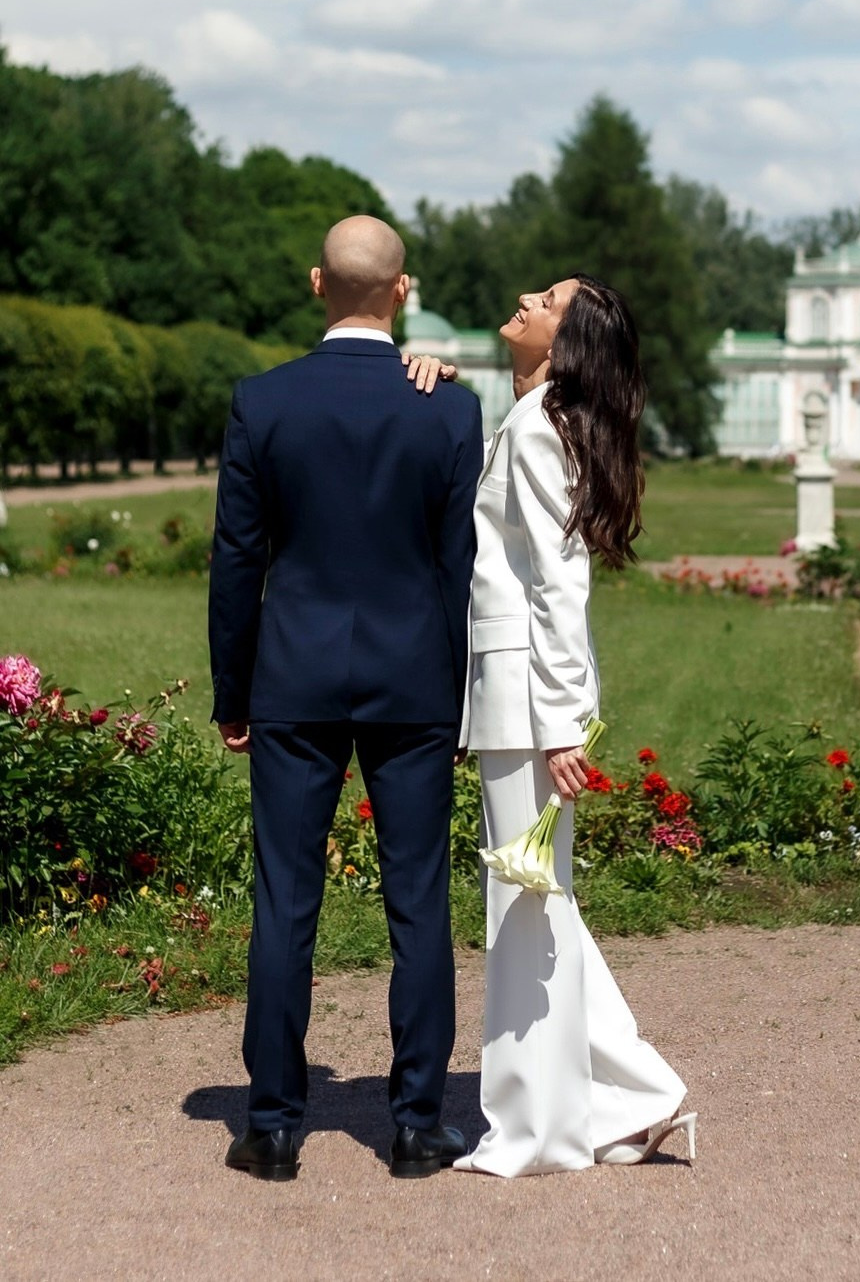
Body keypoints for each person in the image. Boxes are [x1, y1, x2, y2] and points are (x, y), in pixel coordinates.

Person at [209, 216, 483, 1182]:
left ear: (317, 282)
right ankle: (415, 1125)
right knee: (419, 901)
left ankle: (273, 1125)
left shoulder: (263, 401)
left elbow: (239, 560)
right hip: (415, 680)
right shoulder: (449, 409)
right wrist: (463, 697)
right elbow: (462, 570)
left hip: (295, 675)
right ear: (402, 291)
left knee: (285, 900)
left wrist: (231, 691)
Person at [406, 275, 694, 1175]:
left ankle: (535, 1130)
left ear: (566, 342)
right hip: (521, 695)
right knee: (538, 897)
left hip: (528, 700)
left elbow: (557, 587)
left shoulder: (538, 426)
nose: (527, 295)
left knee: (523, 903)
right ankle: (638, 1095)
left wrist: (563, 724)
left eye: (551, 298)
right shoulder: (534, 415)